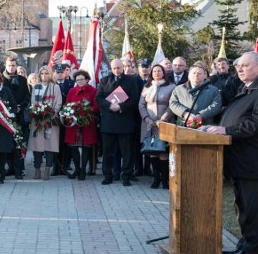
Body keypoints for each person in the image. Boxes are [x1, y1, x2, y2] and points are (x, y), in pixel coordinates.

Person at [204, 52, 258, 254]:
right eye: (238, 65)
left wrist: (226, 131)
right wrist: (218, 128)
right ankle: (245, 243)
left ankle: (254, 249)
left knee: (253, 208)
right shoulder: (246, 89)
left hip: (252, 161)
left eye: (245, 65)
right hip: (240, 160)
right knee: (242, 206)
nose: (239, 69)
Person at [97, 58, 140, 186]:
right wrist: (109, 106)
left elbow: (134, 99)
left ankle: (126, 176)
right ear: (111, 68)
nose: (117, 70)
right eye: (114, 68)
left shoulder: (131, 81)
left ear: (123, 67)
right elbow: (98, 97)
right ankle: (108, 176)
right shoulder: (104, 80)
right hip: (108, 122)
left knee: (126, 152)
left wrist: (121, 107)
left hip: (125, 122)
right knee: (107, 152)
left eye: (119, 68)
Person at [138, 64, 176, 189]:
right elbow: (141, 105)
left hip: (164, 124)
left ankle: (165, 180)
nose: (157, 73)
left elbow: (173, 105)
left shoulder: (171, 87)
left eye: (159, 71)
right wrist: (147, 119)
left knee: (163, 153)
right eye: (154, 71)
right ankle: (156, 179)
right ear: (151, 73)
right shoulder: (147, 87)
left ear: (163, 72)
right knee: (153, 152)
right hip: (149, 125)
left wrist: (164, 118)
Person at [28, 66, 62, 180]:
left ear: (50, 74)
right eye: (42, 74)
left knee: (50, 146)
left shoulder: (55, 87)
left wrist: (51, 114)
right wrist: (37, 113)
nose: (44, 76)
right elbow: (33, 102)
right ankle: (37, 170)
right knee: (37, 146)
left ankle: (47, 169)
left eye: (46, 73)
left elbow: (58, 103)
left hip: (50, 120)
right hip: (37, 120)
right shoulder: (36, 87)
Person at [63, 70, 98, 181]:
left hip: (87, 122)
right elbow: (66, 105)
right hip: (74, 123)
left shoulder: (93, 91)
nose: (79, 81)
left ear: (87, 79)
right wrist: (70, 112)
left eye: (82, 79)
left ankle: (83, 170)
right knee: (74, 148)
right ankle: (77, 169)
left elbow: (96, 106)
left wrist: (86, 111)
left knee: (86, 147)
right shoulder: (72, 91)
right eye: (77, 80)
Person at [2, 57, 30, 179]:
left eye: (13, 65)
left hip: (19, 116)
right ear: (6, 65)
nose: (11, 67)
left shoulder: (23, 80)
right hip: (5, 116)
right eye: (9, 65)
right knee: (8, 144)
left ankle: (19, 169)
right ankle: (10, 167)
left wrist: (20, 106)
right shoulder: (1, 79)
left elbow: (27, 96)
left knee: (19, 143)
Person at [53, 64, 74, 176]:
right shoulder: (51, 85)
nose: (60, 74)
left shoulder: (71, 84)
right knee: (54, 143)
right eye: (57, 72)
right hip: (54, 117)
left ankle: (64, 166)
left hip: (66, 117)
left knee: (65, 143)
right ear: (54, 73)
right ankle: (55, 167)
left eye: (61, 72)